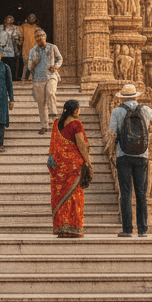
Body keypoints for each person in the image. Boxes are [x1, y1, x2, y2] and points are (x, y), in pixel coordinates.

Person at [108, 83, 152, 237]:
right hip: (142, 155)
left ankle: (127, 229)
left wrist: (112, 153)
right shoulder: (145, 109)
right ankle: (142, 229)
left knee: (125, 193)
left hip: (123, 155)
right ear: (135, 96)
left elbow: (112, 133)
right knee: (141, 193)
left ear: (122, 97)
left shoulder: (117, 111)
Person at [49, 98, 92, 238]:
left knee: (62, 196)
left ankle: (62, 227)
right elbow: (80, 144)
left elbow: (55, 148)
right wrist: (88, 161)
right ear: (74, 110)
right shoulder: (76, 124)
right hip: (74, 167)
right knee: (75, 197)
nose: (78, 112)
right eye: (78, 109)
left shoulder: (57, 124)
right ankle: (74, 227)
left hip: (59, 169)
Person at [26, 27, 62, 134]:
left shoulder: (52, 48)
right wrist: (34, 63)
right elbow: (29, 67)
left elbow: (60, 59)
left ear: (45, 36)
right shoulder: (33, 51)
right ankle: (44, 125)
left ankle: (53, 113)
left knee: (50, 92)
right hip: (38, 78)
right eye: (37, 36)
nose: (39, 37)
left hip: (51, 75)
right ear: (35, 38)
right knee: (41, 103)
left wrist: (55, 66)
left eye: (41, 35)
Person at [0, 14, 19, 81]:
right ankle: (0, 76)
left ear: (13, 20)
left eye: (11, 18)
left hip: (11, 48)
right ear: (5, 19)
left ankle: (11, 77)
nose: (9, 19)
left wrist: (17, 46)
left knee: (12, 62)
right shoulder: (0, 27)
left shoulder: (15, 27)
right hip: (1, 47)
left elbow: (16, 37)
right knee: (1, 62)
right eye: (8, 18)